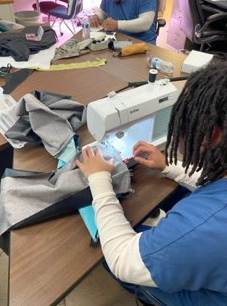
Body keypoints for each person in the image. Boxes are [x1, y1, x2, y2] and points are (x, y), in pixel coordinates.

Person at [76, 63, 227, 306]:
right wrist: (169, 167)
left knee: (106, 258)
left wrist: (99, 180)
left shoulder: (201, 229)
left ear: (213, 134)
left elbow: (123, 259)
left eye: (183, 118)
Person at [90, 0, 157, 45]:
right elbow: (103, 11)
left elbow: (146, 23)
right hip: (117, 41)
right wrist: (97, 16)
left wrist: (117, 24)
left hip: (141, 43)